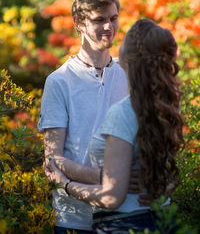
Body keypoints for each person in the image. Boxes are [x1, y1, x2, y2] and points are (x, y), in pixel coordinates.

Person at [47, 19, 184, 233]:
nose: (111, 28)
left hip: (124, 224)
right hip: (162, 219)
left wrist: (65, 184)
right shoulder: (167, 107)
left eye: (114, 19)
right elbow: (169, 180)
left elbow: (111, 197)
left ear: (128, 59)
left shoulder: (123, 113)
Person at [38, 0, 130, 233]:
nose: (109, 27)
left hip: (121, 217)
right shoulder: (59, 81)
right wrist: (111, 179)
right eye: (99, 20)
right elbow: (53, 159)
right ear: (78, 23)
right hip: (73, 219)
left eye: (113, 18)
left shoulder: (129, 76)